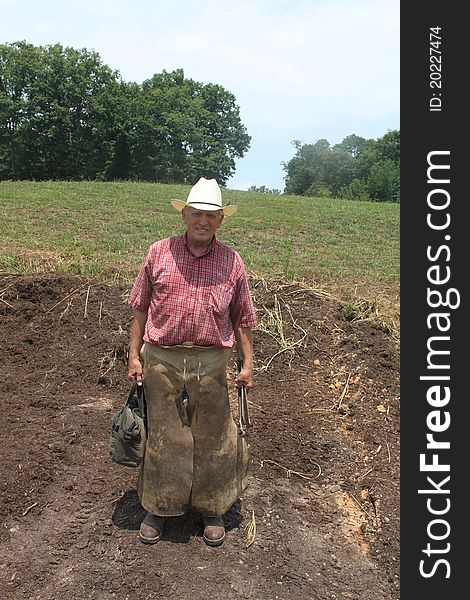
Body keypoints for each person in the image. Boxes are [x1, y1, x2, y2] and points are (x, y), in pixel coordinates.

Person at [127, 177, 257, 547]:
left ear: (220, 222)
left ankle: (212, 506)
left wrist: (247, 363)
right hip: (161, 357)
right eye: (197, 213)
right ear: (184, 215)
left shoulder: (232, 262)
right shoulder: (158, 252)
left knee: (214, 433)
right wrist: (133, 354)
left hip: (212, 359)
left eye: (211, 216)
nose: (203, 221)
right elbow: (139, 306)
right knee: (164, 433)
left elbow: (243, 317)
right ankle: (160, 505)